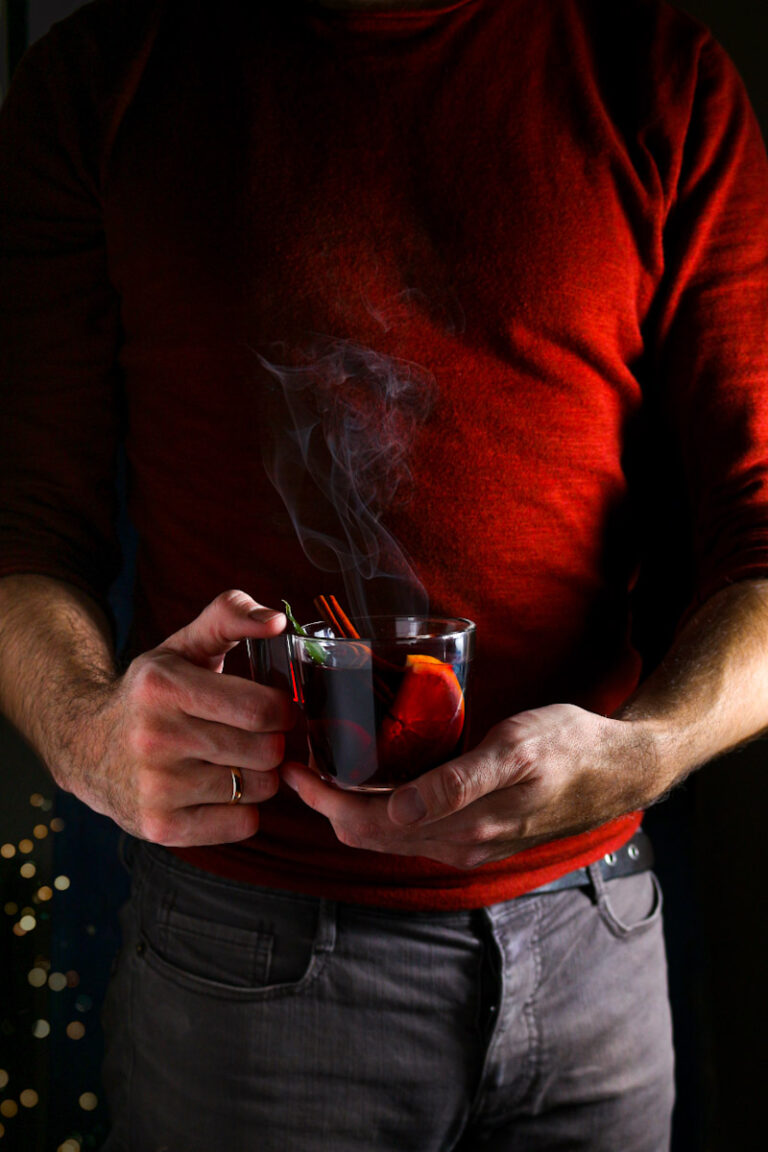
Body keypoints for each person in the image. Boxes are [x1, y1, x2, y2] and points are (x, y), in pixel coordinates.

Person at [1, 0, 767, 1148]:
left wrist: (648, 752)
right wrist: (82, 736)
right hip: (249, 961)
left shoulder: (660, 74)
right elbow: (21, 531)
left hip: (595, 930)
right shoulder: (105, 77)